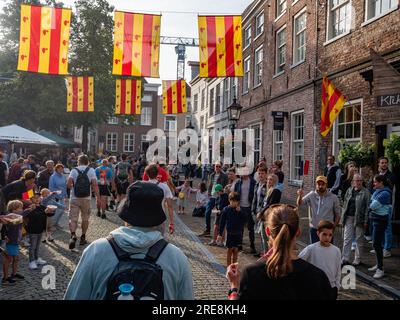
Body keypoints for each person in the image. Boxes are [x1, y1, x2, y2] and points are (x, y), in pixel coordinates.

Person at [64, 182, 193, 300]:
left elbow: (75, 296)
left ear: (126, 216)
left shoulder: (96, 251)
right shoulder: (177, 257)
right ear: (159, 220)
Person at [226, 204, 333, 300]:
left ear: (267, 232)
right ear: (298, 233)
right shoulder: (318, 278)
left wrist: (234, 287)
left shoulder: (251, 274)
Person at [299, 220, 342, 300]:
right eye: (324, 234)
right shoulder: (311, 249)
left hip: (331, 287)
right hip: (315, 287)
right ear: (318, 233)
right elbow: (299, 262)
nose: (327, 237)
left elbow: (338, 269)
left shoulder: (336, 250)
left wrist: (337, 286)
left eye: (330, 235)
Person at [67, 154, 100, 250]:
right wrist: (98, 198)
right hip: (86, 198)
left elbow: (68, 184)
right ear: (87, 161)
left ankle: (73, 235)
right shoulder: (91, 170)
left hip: (74, 197)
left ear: (78, 161)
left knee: (73, 218)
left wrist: (73, 186)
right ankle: (83, 237)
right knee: (85, 218)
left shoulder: (74, 170)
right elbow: (95, 185)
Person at [297, 176, 341, 243]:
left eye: (323, 184)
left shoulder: (333, 197)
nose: (320, 186)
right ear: (316, 185)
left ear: (326, 185)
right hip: (314, 228)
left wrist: (333, 227)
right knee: (314, 251)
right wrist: (299, 196)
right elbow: (299, 203)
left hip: (327, 230)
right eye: (318, 184)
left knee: (327, 250)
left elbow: (338, 214)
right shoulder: (311, 195)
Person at [341, 173, 370, 266]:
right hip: (349, 217)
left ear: (362, 181)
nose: (357, 182)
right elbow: (345, 204)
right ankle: (345, 258)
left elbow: (367, 208)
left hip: (359, 219)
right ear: (352, 181)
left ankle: (357, 259)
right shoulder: (349, 190)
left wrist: (366, 221)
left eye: (359, 180)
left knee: (359, 239)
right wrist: (343, 217)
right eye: (355, 180)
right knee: (347, 238)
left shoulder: (366, 193)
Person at [367, 175, 392, 279]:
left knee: (377, 244)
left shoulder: (385, 193)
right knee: (377, 245)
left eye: (375, 182)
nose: (374, 184)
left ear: (381, 182)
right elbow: (371, 203)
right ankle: (378, 264)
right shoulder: (378, 192)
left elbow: (372, 206)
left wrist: (372, 205)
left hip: (380, 221)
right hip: (375, 220)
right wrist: (372, 204)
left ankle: (380, 269)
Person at [25, 192, 55, 269]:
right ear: (31, 199)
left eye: (38, 197)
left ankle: (36, 258)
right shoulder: (30, 207)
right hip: (32, 230)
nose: (37, 199)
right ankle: (31, 261)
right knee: (32, 247)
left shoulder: (42, 207)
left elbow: (48, 214)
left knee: (38, 246)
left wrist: (52, 211)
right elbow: (36, 216)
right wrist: (45, 212)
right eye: (35, 198)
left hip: (40, 230)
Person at [217, 192, 247, 267]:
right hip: (229, 233)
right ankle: (228, 267)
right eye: (232, 201)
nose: (234, 203)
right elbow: (222, 222)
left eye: (236, 201)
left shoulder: (240, 210)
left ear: (238, 202)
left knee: (236, 250)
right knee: (229, 250)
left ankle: (234, 267)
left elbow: (245, 219)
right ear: (229, 200)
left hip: (238, 233)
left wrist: (240, 212)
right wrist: (220, 234)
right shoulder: (226, 209)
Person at [199, 161, 228, 237]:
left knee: (218, 214)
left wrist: (222, 194)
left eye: (219, 166)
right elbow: (210, 184)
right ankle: (207, 230)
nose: (217, 168)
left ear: (221, 167)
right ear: (214, 167)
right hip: (212, 197)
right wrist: (209, 193)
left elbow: (225, 186)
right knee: (207, 212)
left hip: (219, 197)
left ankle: (219, 233)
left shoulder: (224, 176)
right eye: (216, 166)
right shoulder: (212, 175)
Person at [1, 200, 26, 284]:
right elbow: (3, 227)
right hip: (10, 241)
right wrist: (4, 236)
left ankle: (14, 274)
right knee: (8, 259)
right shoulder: (10, 216)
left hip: (16, 241)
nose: (22, 209)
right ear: (14, 209)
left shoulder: (18, 216)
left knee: (16, 258)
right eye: (20, 208)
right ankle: (5, 278)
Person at [145, 164, 174, 234]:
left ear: (147, 174)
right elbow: (169, 206)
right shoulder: (164, 187)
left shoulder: (142, 186)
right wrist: (171, 223)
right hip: (160, 217)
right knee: (160, 238)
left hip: (146, 217)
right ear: (157, 174)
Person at [257, 174, 282, 255]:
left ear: (275, 181)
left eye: (271, 180)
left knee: (268, 237)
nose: (268, 181)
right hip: (264, 216)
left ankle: (269, 255)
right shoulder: (269, 190)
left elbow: (270, 205)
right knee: (263, 236)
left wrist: (261, 213)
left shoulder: (276, 191)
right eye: (268, 179)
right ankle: (266, 253)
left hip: (269, 218)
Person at [233, 168, 256, 253]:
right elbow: (235, 195)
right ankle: (239, 245)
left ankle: (252, 245)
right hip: (240, 207)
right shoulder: (238, 183)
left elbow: (255, 195)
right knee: (240, 227)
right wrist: (236, 205)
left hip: (249, 207)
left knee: (251, 227)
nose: (242, 174)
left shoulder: (253, 182)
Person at [251, 164, 268, 256]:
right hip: (256, 211)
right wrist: (253, 210)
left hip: (263, 213)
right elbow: (255, 198)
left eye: (262, 173)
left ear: (266, 174)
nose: (260, 175)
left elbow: (266, 200)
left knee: (264, 234)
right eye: (259, 173)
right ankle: (263, 251)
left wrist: (261, 212)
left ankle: (266, 253)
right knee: (259, 233)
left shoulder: (267, 185)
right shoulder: (257, 184)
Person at [49, 163, 68, 229]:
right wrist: (53, 195)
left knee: (61, 210)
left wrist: (66, 196)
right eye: (59, 168)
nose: (61, 170)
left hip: (62, 196)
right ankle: (52, 225)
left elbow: (65, 186)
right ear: (56, 169)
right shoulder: (53, 177)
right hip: (55, 196)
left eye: (62, 168)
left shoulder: (63, 176)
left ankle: (56, 223)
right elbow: (51, 188)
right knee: (57, 211)